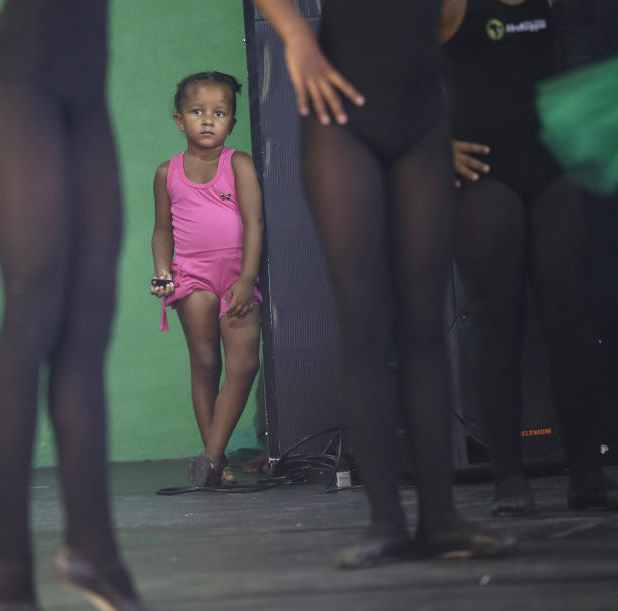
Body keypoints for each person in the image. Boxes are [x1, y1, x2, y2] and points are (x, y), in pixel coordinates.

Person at [252, 0, 510, 568]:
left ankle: (441, 520)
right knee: (365, 323)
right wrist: (296, 34)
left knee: (423, 328)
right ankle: (386, 523)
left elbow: (448, 21)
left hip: (422, 119)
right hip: (341, 117)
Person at [0, 0, 170, 611]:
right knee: (35, 304)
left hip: (83, 96)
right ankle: (8, 555)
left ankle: (94, 550)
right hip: (11, 85)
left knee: (88, 321)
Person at [441, 0, 618, 516]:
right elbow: (395, 74)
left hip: (554, 167)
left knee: (572, 319)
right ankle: (509, 479)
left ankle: (587, 474)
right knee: (496, 321)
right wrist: (434, 142)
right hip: (485, 174)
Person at [150, 72, 264, 488]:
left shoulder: (239, 163)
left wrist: (247, 277)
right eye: (198, 112)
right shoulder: (168, 173)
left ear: (232, 123)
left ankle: (211, 457)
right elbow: (162, 230)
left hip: (236, 274)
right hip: (192, 275)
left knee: (244, 363)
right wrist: (163, 269)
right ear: (180, 120)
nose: (208, 120)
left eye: (219, 113)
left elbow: (253, 221)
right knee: (205, 364)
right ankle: (218, 465)